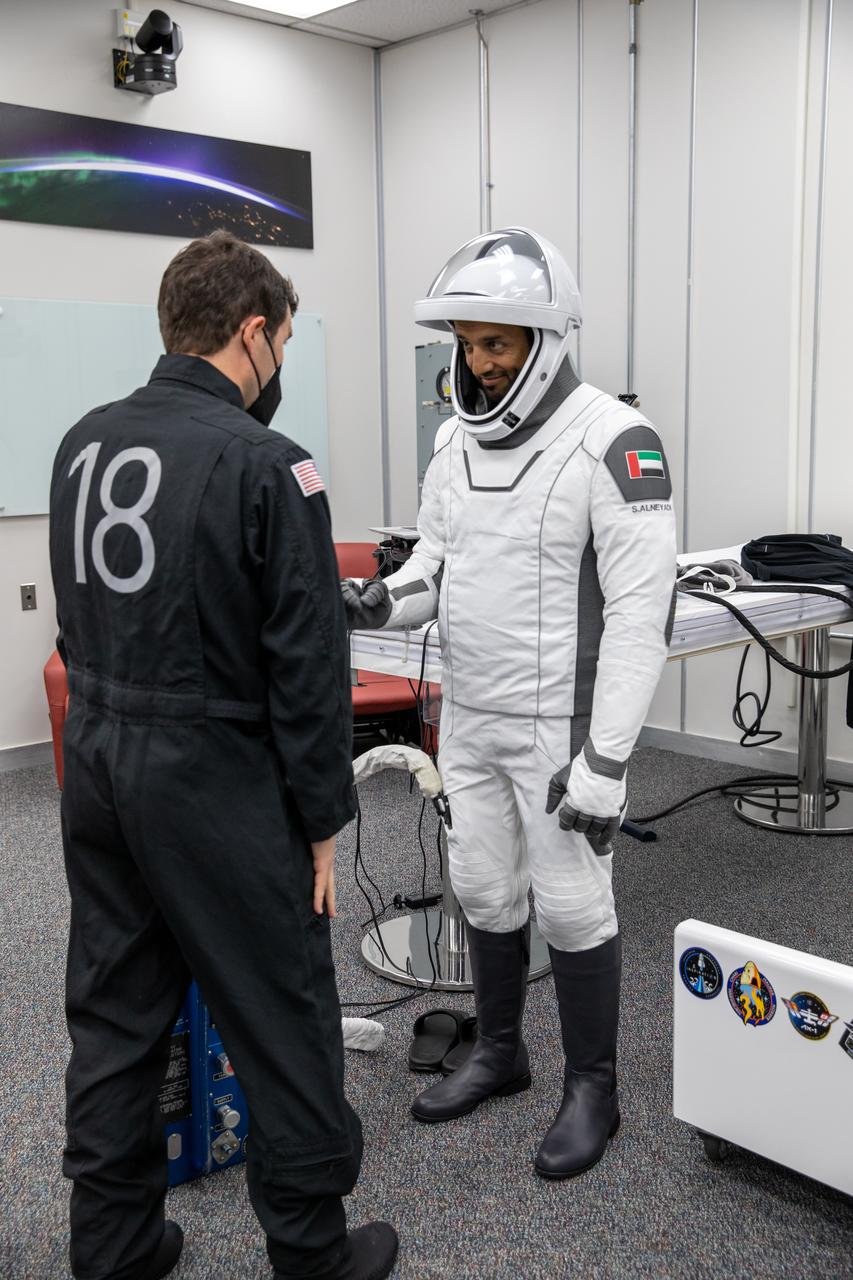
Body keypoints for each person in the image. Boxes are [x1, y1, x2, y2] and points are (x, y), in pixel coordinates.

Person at [49, 229, 398, 1280]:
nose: (279, 368)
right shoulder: (268, 463)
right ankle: (310, 1251)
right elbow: (305, 668)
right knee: (280, 1005)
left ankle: (110, 1245)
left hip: (99, 762)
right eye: (281, 343)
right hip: (214, 780)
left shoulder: (81, 441)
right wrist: (324, 824)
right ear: (253, 333)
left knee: (114, 1011)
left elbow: (76, 621)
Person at [343, 227, 676, 1180]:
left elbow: (639, 618)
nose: (483, 363)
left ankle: (593, 1088)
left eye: (503, 344)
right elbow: (435, 573)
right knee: (483, 888)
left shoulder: (615, 442)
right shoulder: (453, 442)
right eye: (472, 343)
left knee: (571, 907)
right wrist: (384, 598)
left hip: (558, 729)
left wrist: (606, 761)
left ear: (549, 339)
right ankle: (500, 1049)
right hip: (473, 712)